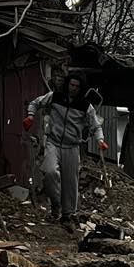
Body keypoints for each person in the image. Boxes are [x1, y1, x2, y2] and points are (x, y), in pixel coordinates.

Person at [24, 71, 107, 224]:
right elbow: (36, 103)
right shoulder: (55, 97)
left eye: (77, 86)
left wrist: (100, 140)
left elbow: (95, 126)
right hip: (53, 142)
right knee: (49, 172)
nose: (73, 88)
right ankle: (56, 207)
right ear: (67, 84)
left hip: (72, 146)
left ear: (80, 88)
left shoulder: (85, 106)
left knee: (70, 182)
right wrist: (30, 115)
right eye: (71, 84)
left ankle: (67, 215)